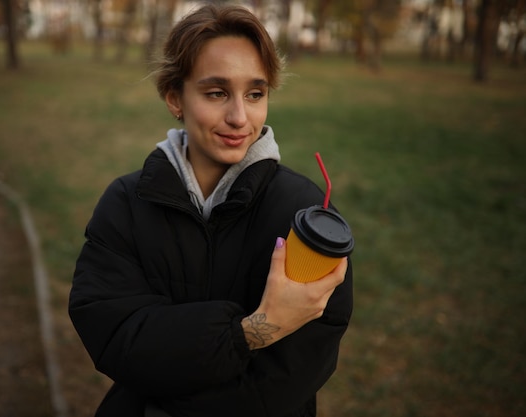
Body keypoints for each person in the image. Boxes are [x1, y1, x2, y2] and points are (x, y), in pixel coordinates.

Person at [69, 4, 353, 417]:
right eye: (216, 92)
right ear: (175, 98)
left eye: (255, 94)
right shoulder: (127, 203)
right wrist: (253, 332)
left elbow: (297, 369)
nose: (240, 117)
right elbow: (115, 337)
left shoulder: (304, 213)